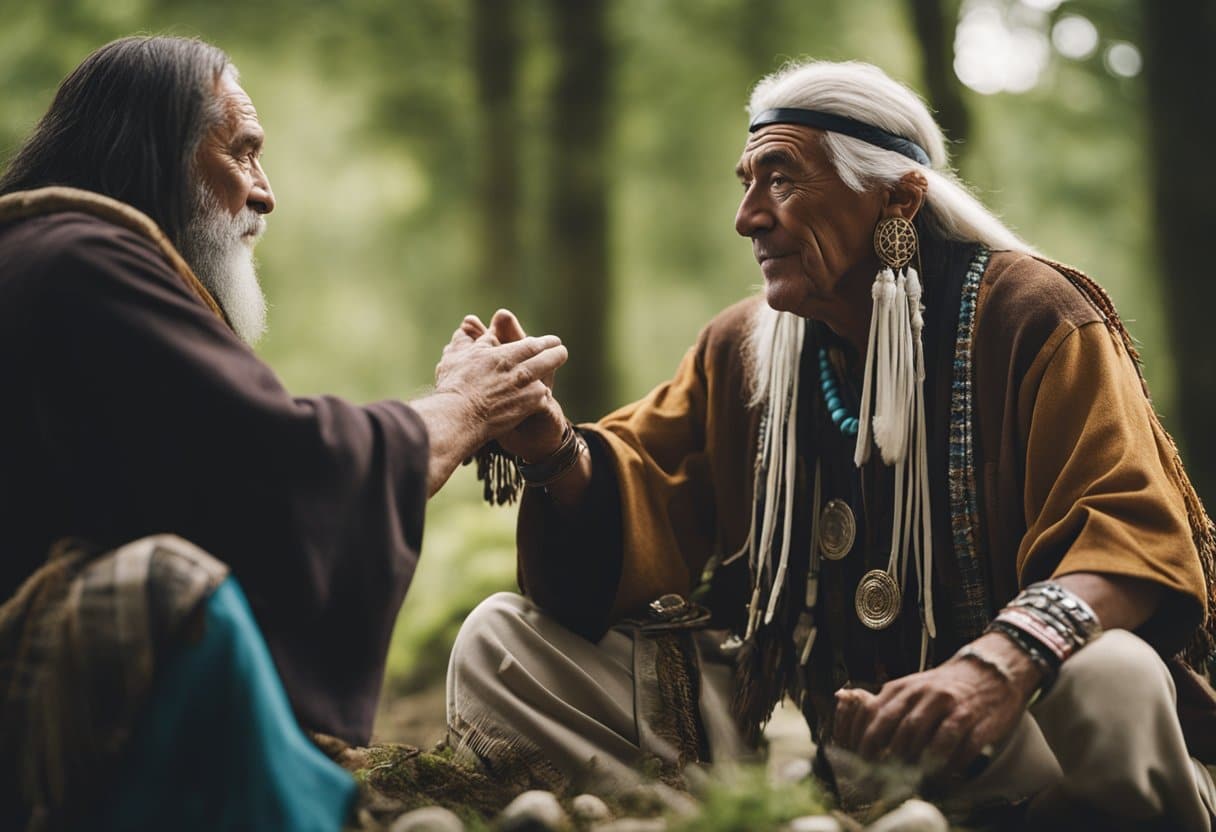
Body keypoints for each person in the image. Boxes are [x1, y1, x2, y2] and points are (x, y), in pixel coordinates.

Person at [446, 60, 1216, 828]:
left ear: (898, 197)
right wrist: (549, 448)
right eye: (746, 182)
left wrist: (992, 669)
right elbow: (644, 488)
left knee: (1112, 674)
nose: (747, 217)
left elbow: (1131, 536)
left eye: (779, 179)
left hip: (1020, 734)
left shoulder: (1034, 318)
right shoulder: (742, 346)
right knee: (502, 643)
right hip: (833, 755)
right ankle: (754, 813)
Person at [0, 36, 567, 830]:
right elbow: (275, 475)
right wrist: (466, 408)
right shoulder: (76, 260)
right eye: (242, 153)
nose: (265, 194)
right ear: (156, 151)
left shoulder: (42, 262)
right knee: (159, 589)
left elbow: (217, 480)